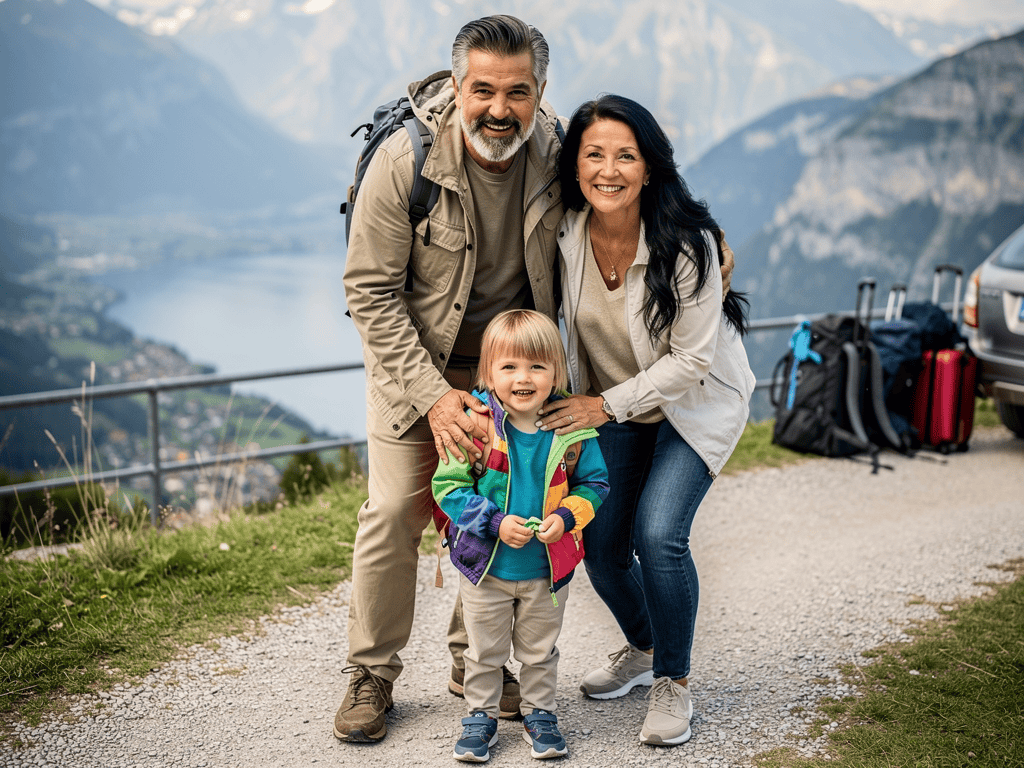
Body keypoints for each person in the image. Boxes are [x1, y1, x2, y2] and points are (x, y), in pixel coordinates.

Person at [336, 15, 566, 743]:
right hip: (414, 361)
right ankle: (371, 672)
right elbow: (369, 292)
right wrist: (433, 398)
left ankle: (479, 666)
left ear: (540, 93)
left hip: (513, 369)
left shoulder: (559, 152)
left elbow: (638, 194)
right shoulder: (404, 161)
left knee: (504, 499)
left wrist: (705, 238)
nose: (500, 109)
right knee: (396, 513)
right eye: (484, 90)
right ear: (457, 87)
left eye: (518, 92)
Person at [535, 94, 755, 747]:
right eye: (593, 154)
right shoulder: (566, 233)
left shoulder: (685, 245)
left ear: (651, 167)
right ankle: (642, 646)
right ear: (575, 165)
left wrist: (599, 406)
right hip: (615, 406)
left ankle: (672, 682)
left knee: (659, 535)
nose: (608, 169)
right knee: (601, 549)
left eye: (625, 155)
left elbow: (691, 360)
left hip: (692, 406)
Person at [432, 309, 608, 762]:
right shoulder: (476, 426)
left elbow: (596, 485)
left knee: (539, 650)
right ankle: (480, 718)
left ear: (556, 372)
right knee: (484, 650)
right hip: (487, 569)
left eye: (536, 366)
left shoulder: (573, 432)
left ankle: (540, 714)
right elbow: (448, 488)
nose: (522, 377)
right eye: (508, 367)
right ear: (489, 372)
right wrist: (493, 522)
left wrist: (567, 518)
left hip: (546, 571)